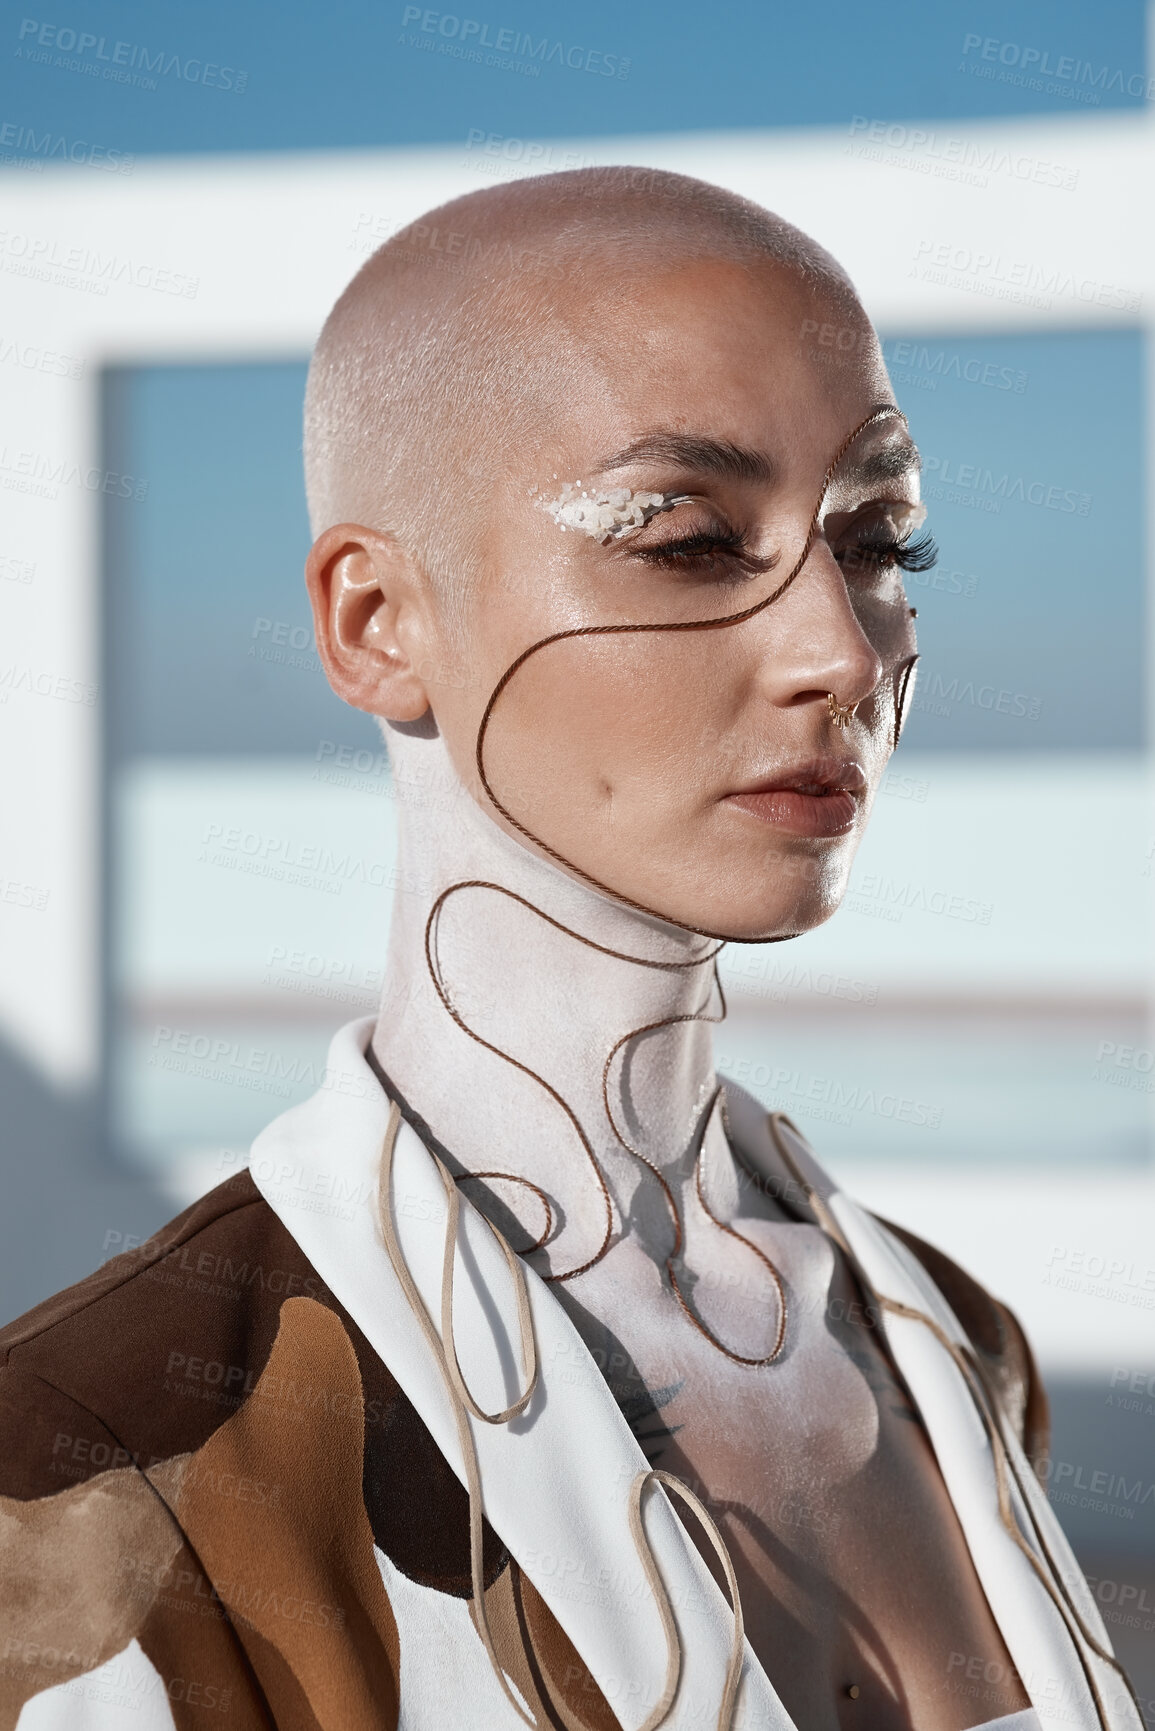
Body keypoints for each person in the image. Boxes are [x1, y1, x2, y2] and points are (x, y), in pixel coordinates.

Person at [0, 168, 1140, 1731]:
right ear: (376, 621)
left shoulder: (949, 1343)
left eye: (881, 538)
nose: (840, 650)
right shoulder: (94, 1463)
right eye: (681, 538)